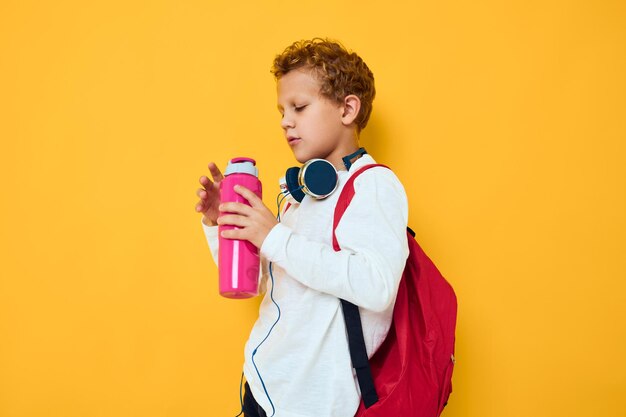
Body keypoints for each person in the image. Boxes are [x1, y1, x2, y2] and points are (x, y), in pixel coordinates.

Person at [195, 38, 409, 417]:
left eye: (299, 107)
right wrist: (220, 225)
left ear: (347, 108)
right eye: (282, 110)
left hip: (313, 403)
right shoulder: (303, 194)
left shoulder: (372, 185)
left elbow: (376, 286)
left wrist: (275, 236)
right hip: (264, 388)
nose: (284, 121)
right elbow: (260, 282)